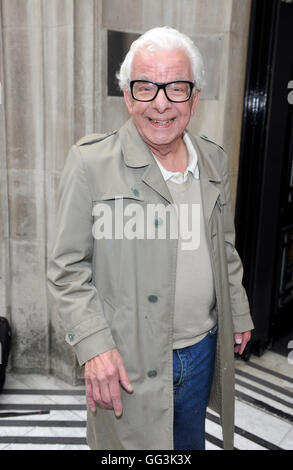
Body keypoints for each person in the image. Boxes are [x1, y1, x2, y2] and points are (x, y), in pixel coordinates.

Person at [47, 26, 254, 450]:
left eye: (176, 88)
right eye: (145, 87)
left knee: (187, 444)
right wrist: (94, 346)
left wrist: (239, 309)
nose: (160, 103)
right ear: (127, 95)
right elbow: (66, 269)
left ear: (195, 98)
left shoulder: (213, 159)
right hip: (126, 361)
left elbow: (224, 246)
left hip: (201, 349)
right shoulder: (90, 163)